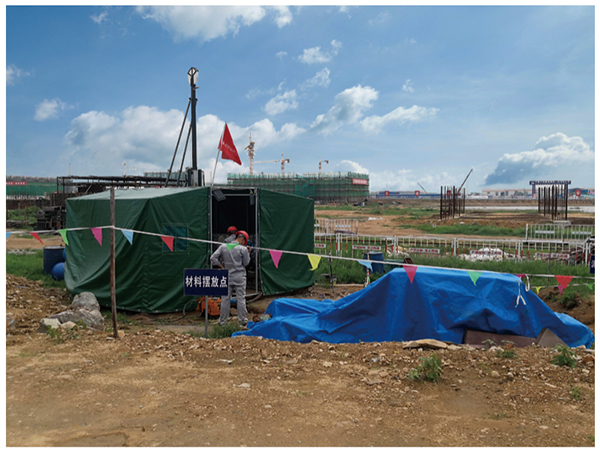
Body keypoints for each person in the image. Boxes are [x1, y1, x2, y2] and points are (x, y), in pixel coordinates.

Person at [210, 230, 250, 327]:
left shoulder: (223, 246)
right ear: (242, 239)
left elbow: (213, 258)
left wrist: (222, 267)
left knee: (225, 299)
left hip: (227, 275)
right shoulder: (243, 249)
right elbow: (246, 263)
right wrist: (248, 252)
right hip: (239, 277)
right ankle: (242, 321)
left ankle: (222, 322)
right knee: (240, 299)